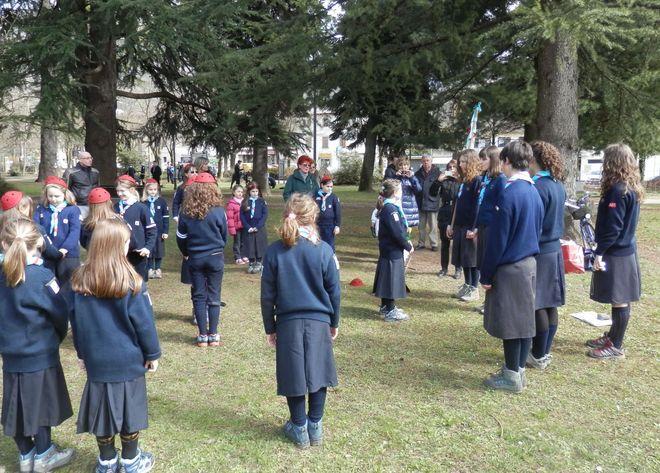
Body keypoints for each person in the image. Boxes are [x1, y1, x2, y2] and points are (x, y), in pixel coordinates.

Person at [68, 218, 160, 473]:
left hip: (97, 360)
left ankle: (107, 461)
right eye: (127, 241)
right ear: (118, 246)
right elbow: (144, 325)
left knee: (102, 412)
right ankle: (130, 461)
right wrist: (152, 354)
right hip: (128, 361)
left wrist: (81, 353)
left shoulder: (80, 281)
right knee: (129, 412)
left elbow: (76, 323)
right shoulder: (132, 282)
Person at [261, 193, 340, 448]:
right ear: (314, 217)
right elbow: (334, 291)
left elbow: (267, 295)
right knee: (318, 372)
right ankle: (313, 425)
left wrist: (270, 327)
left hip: (288, 322)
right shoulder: (324, 250)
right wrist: (334, 321)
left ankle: (300, 426)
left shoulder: (274, 250)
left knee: (294, 374)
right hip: (318, 321)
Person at [0, 218, 75, 473]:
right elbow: (59, 313)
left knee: (15, 405)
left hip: (11, 355)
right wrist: (56, 338)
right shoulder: (42, 276)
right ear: (38, 245)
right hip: (40, 352)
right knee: (42, 405)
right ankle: (42, 454)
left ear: (3, 244)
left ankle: (26, 454)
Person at [480, 140, 543, 393]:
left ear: (506, 161)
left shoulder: (511, 192)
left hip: (511, 266)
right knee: (524, 321)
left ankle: (511, 375)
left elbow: (498, 239)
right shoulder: (534, 191)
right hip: (529, 263)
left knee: (510, 323)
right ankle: (518, 370)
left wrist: (486, 273)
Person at [586, 143, 643, 360]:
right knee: (618, 297)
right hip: (625, 249)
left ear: (612, 162)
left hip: (618, 252)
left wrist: (599, 253)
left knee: (619, 298)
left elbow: (613, 228)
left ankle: (615, 345)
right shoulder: (629, 187)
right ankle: (612, 336)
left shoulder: (618, 191)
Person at [525, 142, 567, 369]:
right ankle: (544, 351)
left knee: (538, 303)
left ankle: (538, 354)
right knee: (549, 303)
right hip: (554, 249)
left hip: (541, 250)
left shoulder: (537, 187)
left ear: (533, 160)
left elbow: (534, 223)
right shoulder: (557, 184)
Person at [176, 172, 227, 347]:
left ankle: (202, 336)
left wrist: (187, 252)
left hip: (195, 257)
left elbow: (181, 237)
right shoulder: (219, 211)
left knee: (198, 296)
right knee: (214, 295)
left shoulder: (185, 212)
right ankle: (213, 334)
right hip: (215, 257)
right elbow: (224, 235)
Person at [373, 179, 414, 322]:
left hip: (389, 250)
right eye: (401, 190)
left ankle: (385, 306)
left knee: (388, 278)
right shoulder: (390, 209)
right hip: (392, 251)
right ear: (396, 193)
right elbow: (396, 232)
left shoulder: (389, 207)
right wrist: (407, 245)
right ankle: (390, 309)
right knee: (392, 280)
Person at [447, 150, 482, 302]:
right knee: (464, 258)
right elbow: (456, 204)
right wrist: (451, 224)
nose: (460, 164)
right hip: (460, 225)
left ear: (472, 162)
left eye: (463, 162)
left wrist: (474, 228)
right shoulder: (463, 181)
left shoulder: (477, 181)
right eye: (460, 161)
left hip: (470, 226)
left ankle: (474, 288)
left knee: (472, 259)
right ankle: (467, 284)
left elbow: (477, 207)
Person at [474, 146, 507, 312]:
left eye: (483, 159)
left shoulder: (500, 179)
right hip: (483, 225)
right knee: (482, 262)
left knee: (490, 263)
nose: (480, 162)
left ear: (493, 160)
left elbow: (500, 206)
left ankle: (492, 303)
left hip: (492, 227)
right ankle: (487, 301)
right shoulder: (486, 179)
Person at [33, 176, 81, 286]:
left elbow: (75, 232)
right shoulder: (41, 209)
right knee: (49, 283)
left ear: (65, 194)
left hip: (68, 255)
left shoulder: (72, 210)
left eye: (57, 196)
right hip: (47, 253)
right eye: (50, 196)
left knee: (68, 284)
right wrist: (46, 248)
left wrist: (64, 249)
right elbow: (37, 227)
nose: (53, 199)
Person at [0, 191, 62, 271]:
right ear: (23, 208)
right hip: (33, 271)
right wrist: (60, 254)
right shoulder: (35, 228)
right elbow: (50, 252)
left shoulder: (3, 227)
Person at [114, 175, 157, 281]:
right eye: (118, 191)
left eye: (122, 191)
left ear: (132, 190)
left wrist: (148, 247)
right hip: (118, 253)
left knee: (139, 284)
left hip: (138, 254)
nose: (119, 194)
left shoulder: (141, 208)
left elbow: (152, 230)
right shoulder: (114, 208)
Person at [430, 159, 461, 278]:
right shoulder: (444, 180)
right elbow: (432, 193)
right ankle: (444, 268)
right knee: (444, 243)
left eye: (454, 167)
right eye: (450, 167)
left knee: (458, 244)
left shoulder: (461, 181)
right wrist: (438, 181)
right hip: (445, 211)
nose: (452, 169)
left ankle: (458, 269)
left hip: (458, 211)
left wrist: (459, 179)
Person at [142, 179, 169, 280]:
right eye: (150, 190)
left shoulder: (161, 202)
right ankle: (149, 269)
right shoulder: (143, 202)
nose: (153, 191)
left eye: (154, 189)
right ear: (146, 190)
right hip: (147, 232)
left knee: (159, 250)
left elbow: (166, 217)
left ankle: (157, 269)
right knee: (149, 249)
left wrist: (165, 231)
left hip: (159, 231)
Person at [240, 182, 269, 274]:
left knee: (259, 245)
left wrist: (258, 226)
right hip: (249, 228)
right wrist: (248, 227)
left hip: (259, 228)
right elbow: (242, 216)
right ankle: (251, 262)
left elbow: (264, 215)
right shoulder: (245, 202)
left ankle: (259, 263)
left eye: (256, 191)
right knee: (250, 245)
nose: (255, 193)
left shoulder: (262, 202)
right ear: (249, 192)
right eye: (253, 191)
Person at [414, 154, 441, 251]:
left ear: (431, 161)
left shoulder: (438, 173)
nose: (426, 162)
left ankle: (434, 244)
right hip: (420, 202)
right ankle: (421, 243)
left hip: (432, 203)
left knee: (433, 226)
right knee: (421, 226)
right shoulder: (417, 174)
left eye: (428, 160)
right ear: (422, 162)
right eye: (424, 161)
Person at [63, 150, 99, 219]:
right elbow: (65, 190)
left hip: (94, 205)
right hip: (79, 205)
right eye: (87, 158)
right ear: (80, 160)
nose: (90, 160)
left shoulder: (95, 172)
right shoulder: (71, 172)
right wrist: (70, 203)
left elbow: (97, 188)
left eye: (91, 158)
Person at [394, 158, 422, 231]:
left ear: (408, 166)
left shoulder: (413, 177)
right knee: (397, 228)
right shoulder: (395, 177)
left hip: (409, 207)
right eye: (401, 165)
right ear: (398, 167)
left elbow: (418, 190)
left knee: (407, 230)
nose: (403, 167)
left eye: (405, 165)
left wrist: (411, 178)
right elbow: (390, 190)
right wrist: (396, 177)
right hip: (398, 204)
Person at [315, 176, 341, 251]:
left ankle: (330, 259)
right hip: (317, 224)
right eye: (328, 186)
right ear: (322, 185)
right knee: (317, 244)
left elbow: (338, 212)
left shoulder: (333, 197)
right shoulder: (316, 196)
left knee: (329, 245)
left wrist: (337, 225)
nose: (330, 188)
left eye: (331, 187)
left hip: (329, 225)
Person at [226, 184, 248, 265]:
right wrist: (232, 229)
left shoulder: (244, 202)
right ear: (233, 192)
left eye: (241, 192)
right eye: (238, 191)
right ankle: (237, 257)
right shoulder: (231, 204)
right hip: (236, 227)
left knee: (244, 241)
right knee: (237, 242)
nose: (240, 193)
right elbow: (230, 217)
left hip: (244, 226)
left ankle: (243, 255)